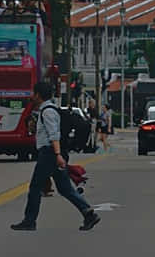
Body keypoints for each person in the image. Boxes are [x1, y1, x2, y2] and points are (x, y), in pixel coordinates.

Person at [11, 82, 100, 233]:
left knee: (35, 187)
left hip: (50, 153)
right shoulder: (45, 111)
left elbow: (54, 135)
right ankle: (88, 213)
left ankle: (29, 221)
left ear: (38, 95)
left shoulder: (48, 112)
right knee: (65, 189)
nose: (31, 96)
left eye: (33, 93)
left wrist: (58, 155)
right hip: (51, 153)